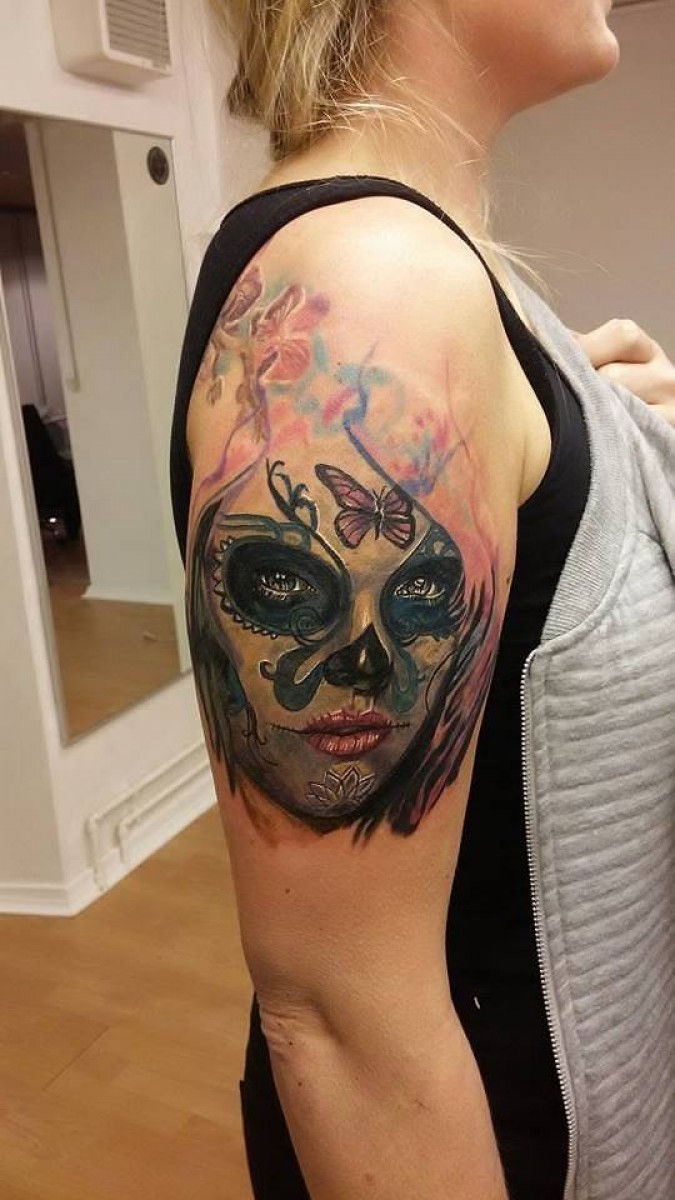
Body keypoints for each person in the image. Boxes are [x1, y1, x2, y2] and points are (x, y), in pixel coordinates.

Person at [170, 3, 675, 1198]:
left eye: (415, 593)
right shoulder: (371, 288)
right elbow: (344, 1021)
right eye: (292, 583)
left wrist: (606, 442)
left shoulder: (449, 286)